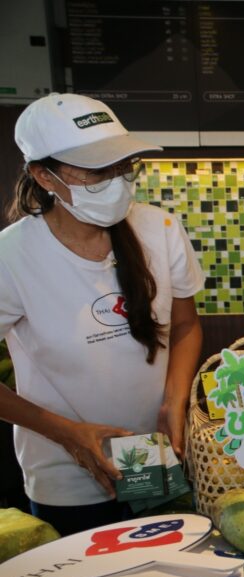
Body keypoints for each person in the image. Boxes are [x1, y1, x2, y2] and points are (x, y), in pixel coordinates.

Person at [0, 93, 204, 536]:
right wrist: (67, 433)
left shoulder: (160, 229)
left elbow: (185, 326)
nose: (116, 181)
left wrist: (174, 400)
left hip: (156, 456)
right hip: (68, 476)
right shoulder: (11, 257)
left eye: (123, 165)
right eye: (96, 171)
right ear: (44, 175)